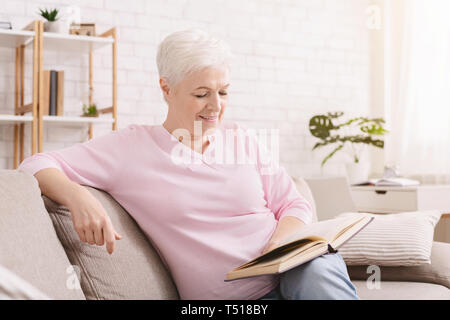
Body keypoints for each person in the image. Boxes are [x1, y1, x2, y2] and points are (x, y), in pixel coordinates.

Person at [18, 29, 358, 300]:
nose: (216, 106)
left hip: (294, 271)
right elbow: (35, 163)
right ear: (166, 88)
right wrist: (77, 197)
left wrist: (278, 245)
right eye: (201, 94)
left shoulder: (241, 138)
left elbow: (293, 203)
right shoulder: (130, 148)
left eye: (223, 92)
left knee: (319, 270)